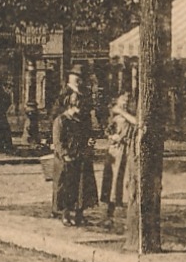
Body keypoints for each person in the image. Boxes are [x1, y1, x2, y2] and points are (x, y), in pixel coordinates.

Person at [50, 93, 98, 226]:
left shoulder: (82, 120)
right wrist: (65, 155)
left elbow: (87, 136)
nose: (80, 112)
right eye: (77, 108)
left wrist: (90, 142)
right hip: (66, 159)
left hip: (81, 156)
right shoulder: (61, 120)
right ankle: (65, 214)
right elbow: (58, 142)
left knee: (82, 186)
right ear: (70, 106)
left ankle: (79, 214)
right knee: (66, 186)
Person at [101, 92, 137, 223]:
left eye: (128, 100)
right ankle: (109, 212)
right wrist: (111, 137)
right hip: (115, 150)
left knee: (126, 179)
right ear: (117, 100)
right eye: (123, 100)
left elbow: (136, 122)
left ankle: (126, 210)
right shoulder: (112, 115)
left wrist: (122, 112)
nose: (125, 102)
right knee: (112, 179)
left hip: (127, 150)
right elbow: (107, 130)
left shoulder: (128, 114)